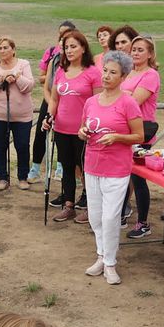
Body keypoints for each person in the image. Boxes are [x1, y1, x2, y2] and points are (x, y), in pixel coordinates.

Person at [79, 50, 147, 286]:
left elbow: (139, 135)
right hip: (92, 165)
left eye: (113, 73)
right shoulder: (90, 102)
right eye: (105, 71)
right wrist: (83, 132)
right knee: (96, 217)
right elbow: (83, 128)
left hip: (116, 168)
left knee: (110, 217)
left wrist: (117, 137)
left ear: (123, 76)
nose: (106, 76)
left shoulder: (128, 103)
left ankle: (110, 263)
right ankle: (101, 256)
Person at [48, 29, 100, 223]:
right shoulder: (61, 71)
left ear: (83, 48)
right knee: (67, 167)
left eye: (73, 46)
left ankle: (90, 207)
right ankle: (69, 205)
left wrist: (88, 126)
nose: (69, 50)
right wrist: (49, 116)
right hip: (61, 128)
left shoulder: (93, 72)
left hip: (83, 131)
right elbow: (54, 98)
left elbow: (97, 102)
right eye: (66, 47)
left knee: (87, 169)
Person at [124, 35, 163, 237]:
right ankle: (122, 213)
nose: (136, 53)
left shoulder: (151, 75)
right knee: (122, 175)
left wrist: (118, 96)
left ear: (150, 54)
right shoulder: (129, 72)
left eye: (141, 50)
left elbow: (133, 102)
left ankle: (143, 223)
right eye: (134, 49)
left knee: (138, 179)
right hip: (122, 130)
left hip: (140, 132)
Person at [0, 35, 36, 191]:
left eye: (6, 47)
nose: (2, 50)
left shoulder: (23, 64)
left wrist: (17, 78)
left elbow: (29, 86)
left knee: (22, 146)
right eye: (0, 48)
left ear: (13, 50)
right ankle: (2, 177)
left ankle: (22, 177)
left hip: (22, 116)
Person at [29, 20, 75, 183]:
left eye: (67, 32)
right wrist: (51, 100)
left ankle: (61, 167)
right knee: (41, 132)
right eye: (61, 33)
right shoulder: (52, 53)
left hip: (68, 102)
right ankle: (35, 168)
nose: (63, 36)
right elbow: (43, 79)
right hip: (49, 99)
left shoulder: (76, 56)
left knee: (62, 135)